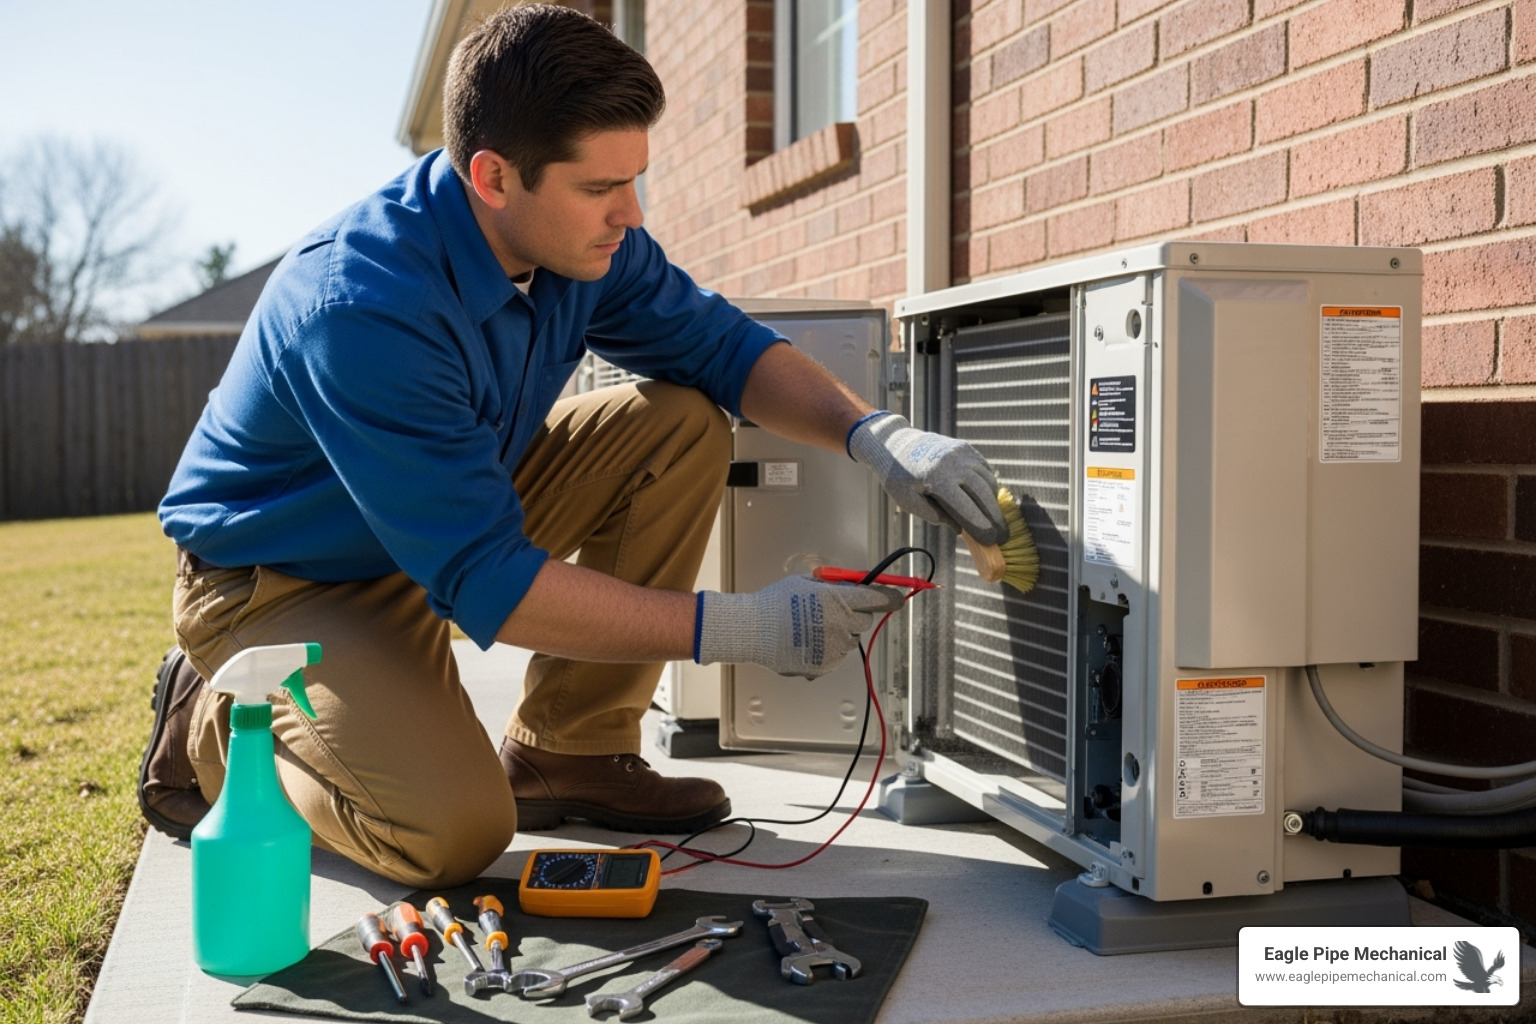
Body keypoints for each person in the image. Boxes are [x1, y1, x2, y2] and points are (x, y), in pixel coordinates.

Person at [139, 3, 1008, 888]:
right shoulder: (363, 305)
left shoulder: (582, 244)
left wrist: (877, 435)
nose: (629, 214)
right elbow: (492, 583)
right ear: (492, 176)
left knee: (676, 421)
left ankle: (573, 750)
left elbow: (723, 349)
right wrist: (748, 627)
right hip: (286, 583)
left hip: (436, 524)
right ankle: (215, 727)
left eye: (635, 181)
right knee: (448, 837)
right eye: (599, 188)